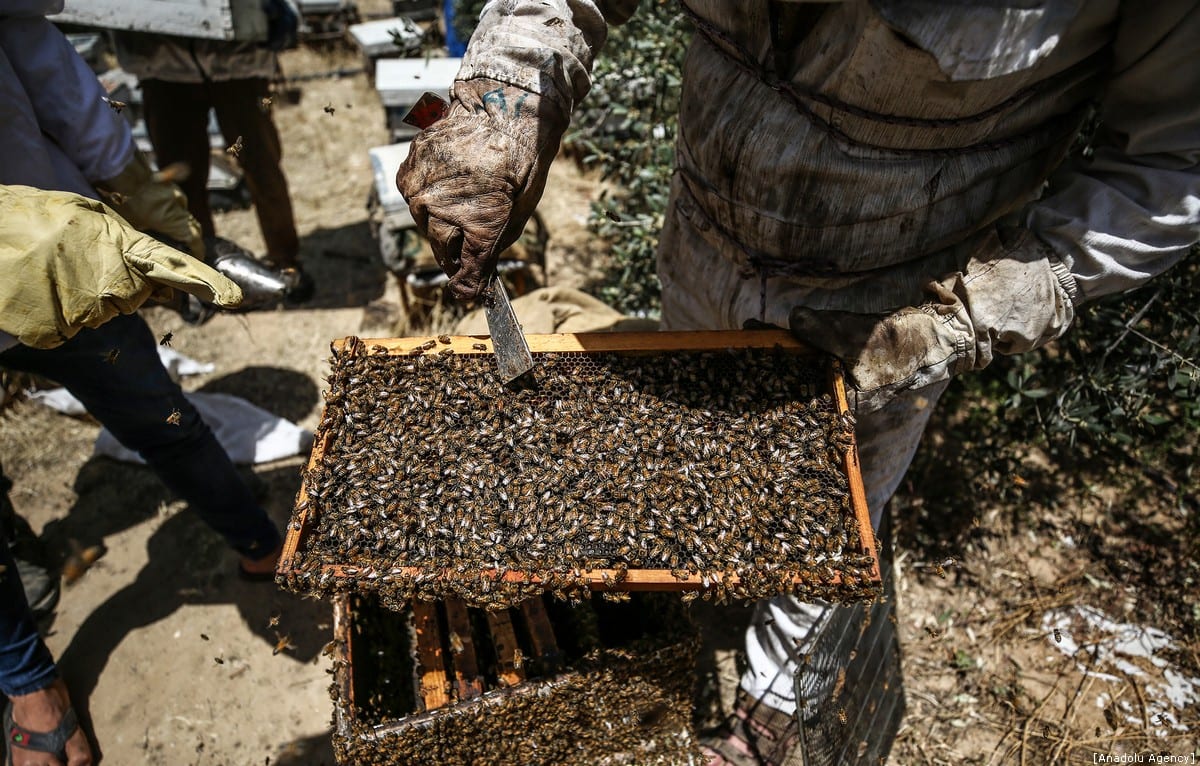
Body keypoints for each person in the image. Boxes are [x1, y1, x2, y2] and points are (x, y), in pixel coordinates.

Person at [395, 2, 1200, 764]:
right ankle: (699, 592)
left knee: (828, 511)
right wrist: (502, 93)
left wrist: (974, 313)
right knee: (689, 453)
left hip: (899, 305)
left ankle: (770, 714)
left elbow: (1174, 159)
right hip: (703, 237)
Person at [0, 4, 288, 760]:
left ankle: (259, 542)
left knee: (162, 418)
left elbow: (51, 70)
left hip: (64, 260)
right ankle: (28, 679)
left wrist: (138, 188)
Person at [114, 7, 314, 303]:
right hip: (162, 66)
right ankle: (199, 271)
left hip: (240, 62)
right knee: (181, 179)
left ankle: (285, 263)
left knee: (262, 166)